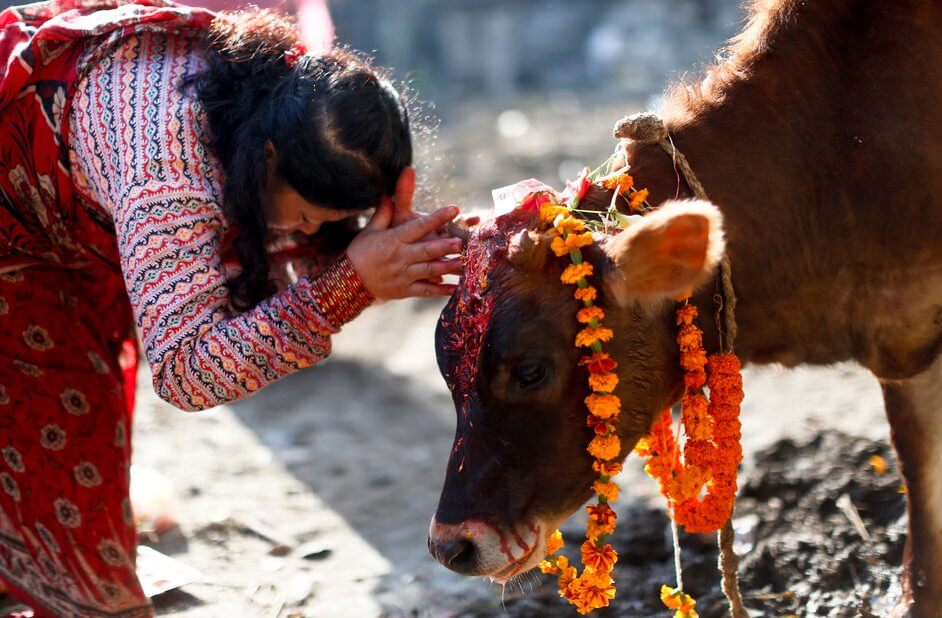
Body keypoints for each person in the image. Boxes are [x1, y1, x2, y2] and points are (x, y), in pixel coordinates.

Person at [0, 1, 464, 615]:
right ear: (266, 156)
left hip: (66, 215)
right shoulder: (169, 175)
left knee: (73, 473)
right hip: (16, 248)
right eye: (306, 216)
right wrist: (347, 286)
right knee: (64, 496)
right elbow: (184, 370)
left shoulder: (283, 94)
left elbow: (274, 246)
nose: (307, 232)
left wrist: (384, 251)